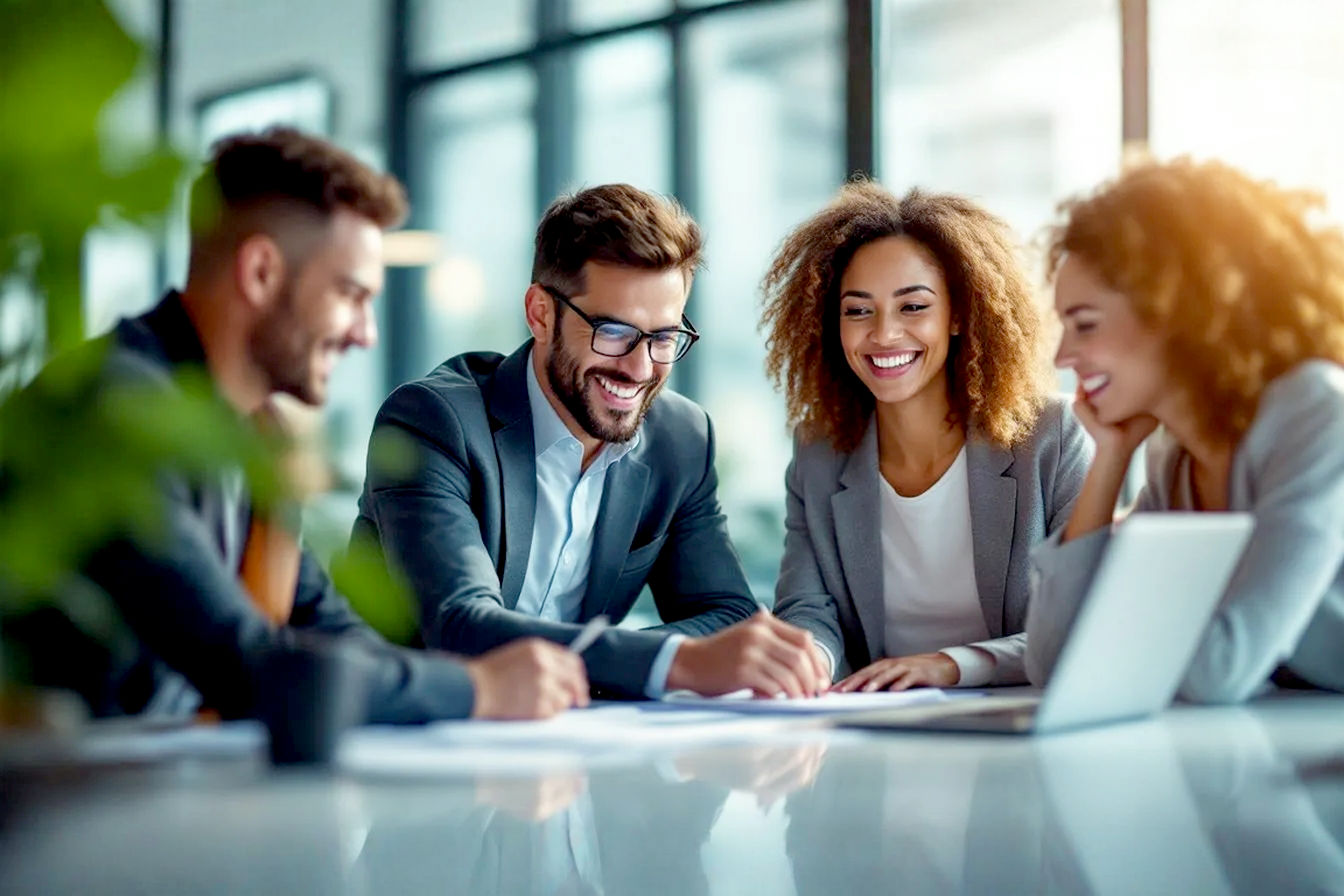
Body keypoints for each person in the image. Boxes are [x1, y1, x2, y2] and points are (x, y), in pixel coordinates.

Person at [13, 127, 587, 722]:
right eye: (349, 294)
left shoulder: (249, 436)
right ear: (261, 272)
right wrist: (478, 692)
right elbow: (251, 664)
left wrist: (469, 681)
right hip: (57, 799)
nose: (365, 333)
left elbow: (322, 625)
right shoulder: (119, 412)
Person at [353, 183, 828, 699]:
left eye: (664, 338)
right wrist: (673, 663)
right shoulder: (433, 421)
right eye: (614, 331)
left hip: (574, 747)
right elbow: (461, 624)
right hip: (405, 739)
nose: (640, 367)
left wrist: (627, 667)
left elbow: (726, 614)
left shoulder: (680, 439)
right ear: (541, 314)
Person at [1027, 157, 1344, 702]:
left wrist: (1121, 647)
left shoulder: (1314, 412)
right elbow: (1057, 662)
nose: (1064, 355)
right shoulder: (1174, 456)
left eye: (1085, 324)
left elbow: (1221, 670)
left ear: (1175, 313)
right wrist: (1111, 458)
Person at [764, 182, 1091, 689]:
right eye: (858, 310)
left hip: (1016, 726)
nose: (884, 334)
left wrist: (951, 665)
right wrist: (810, 667)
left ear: (959, 314)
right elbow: (807, 608)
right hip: (873, 728)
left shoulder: (1051, 438)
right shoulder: (819, 453)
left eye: (912, 307)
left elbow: (1081, 623)